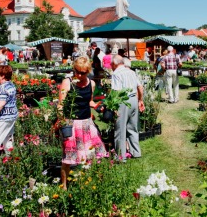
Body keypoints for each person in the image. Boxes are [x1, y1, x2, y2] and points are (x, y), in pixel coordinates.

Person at [58, 56, 106, 189]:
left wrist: (96, 106)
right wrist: (62, 123)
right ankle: (64, 186)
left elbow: (89, 101)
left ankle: (87, 183)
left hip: (87, 124)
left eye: (83, 72)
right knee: (69, 156)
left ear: (88, 71)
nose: (79, 75)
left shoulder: (91, 84)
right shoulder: (67, 83)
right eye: (77, 71)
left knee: (93, 153)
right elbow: (61, 105)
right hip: (72, 124)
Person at [111, 55, 144, 160]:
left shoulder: (116, 74)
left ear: (114, 64)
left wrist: (115, 107)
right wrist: (140, 100)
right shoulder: (131, 72)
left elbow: (116, 92)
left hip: (123, 101)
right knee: (133, 128)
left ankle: (121, 156)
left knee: (120, 129)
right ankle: (136, 152)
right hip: (134, 99)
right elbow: (140, 87)